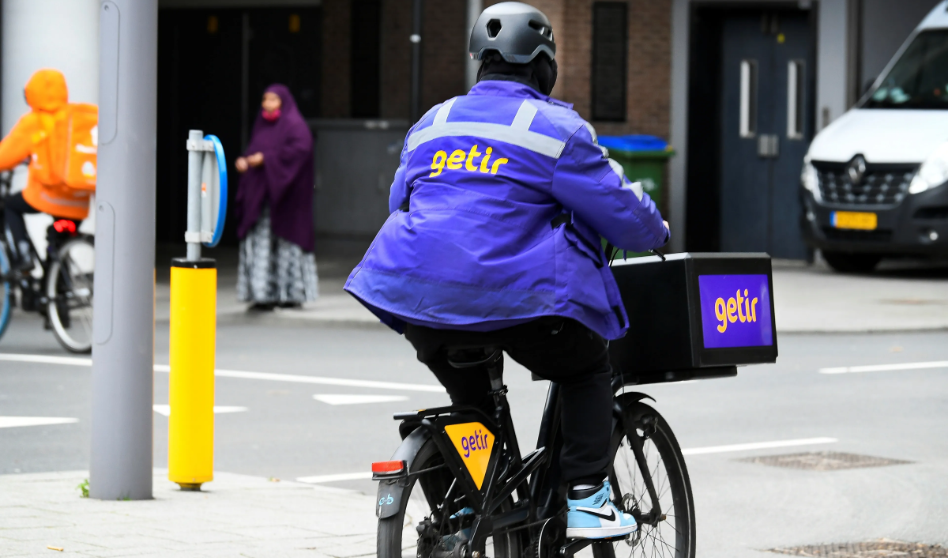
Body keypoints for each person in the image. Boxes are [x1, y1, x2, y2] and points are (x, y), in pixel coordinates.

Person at [345, 1, 669, 540]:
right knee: (588, 367)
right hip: (515, 299)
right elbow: (621, 211)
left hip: (418, 298)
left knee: (473, 402)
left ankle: (471, 510)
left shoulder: (434, 122)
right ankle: (588, 496)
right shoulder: (557, 129)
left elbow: (399, 199)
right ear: (544, 65)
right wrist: (657, 232)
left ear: (481, 65)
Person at [234, 84, 318, 311]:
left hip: (287, 201)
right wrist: (246, 160)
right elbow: (253, 150)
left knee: (287, 246)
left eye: (273, 100)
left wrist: (267, 159)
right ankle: (262, 295)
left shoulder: (295, 126)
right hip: (262, 200)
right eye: (265, 100)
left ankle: (290, 294)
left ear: (283, 102)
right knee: (261, 245)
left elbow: (300, 152)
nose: (267, 105)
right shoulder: (261, 126)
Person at [0, 69, 89, 273]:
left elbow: (5, 157)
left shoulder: (34, 121)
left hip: (49, 196)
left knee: (10, 207)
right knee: (57, 239)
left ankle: (24, 256)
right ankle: (58, 290)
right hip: (79, 198)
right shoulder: (74, 118)